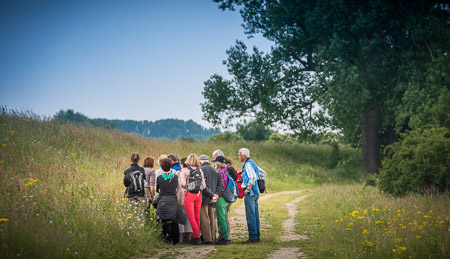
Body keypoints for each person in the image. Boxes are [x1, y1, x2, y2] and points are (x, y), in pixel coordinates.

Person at [156, 158, 186, 245]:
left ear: (161, 167)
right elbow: (176, 188)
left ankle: (166, 239)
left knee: (163, 221)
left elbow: (158, 190)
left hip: (163, 201)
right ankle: (175, 240)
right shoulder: (175, 177)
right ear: (170, 166)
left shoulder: (159, 178)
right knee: (174, 220)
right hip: (173, 200)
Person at [180, 154, 207, 245]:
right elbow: (204, 186)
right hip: (198, 195)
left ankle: (196, 237)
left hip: (189, 195)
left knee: (191, 217)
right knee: (197, 216)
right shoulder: (200, 170)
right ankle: (197, 235)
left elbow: (183, 184)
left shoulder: (184, 170)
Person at [199, 154, 223, 244]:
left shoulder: (201, 170)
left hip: (204, 198)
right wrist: (216, 195)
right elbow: (221, 185)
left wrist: (211, 195)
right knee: (212, 219)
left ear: (200, 162)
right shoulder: (216, 170)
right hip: (213, 199)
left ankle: (207, 239)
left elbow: (203, 187)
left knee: (204, 219)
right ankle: (213, 238)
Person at [238, 148, 261, 243]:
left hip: (250, 193)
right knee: (255, 215)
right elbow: (262, 173)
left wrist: (248, 188)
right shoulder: (252, 163)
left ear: (244, 156)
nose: (238, 156)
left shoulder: (247, 164)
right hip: (256, 192)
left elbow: (252, 177)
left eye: (239, 155)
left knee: (250, 215)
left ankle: (252, 238)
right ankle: (256, 236)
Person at [213, 156, 231, 245]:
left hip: (220, 198)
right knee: (224, 218)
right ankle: (227, 237)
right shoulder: (226, 171)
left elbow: (221, 187)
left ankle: (225, 238)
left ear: (217, 163)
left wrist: (216, 195)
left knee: (221, 219)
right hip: (226, 198)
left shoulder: (220, 173)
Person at [177, 157, 193, 244]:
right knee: (189, 217)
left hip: (181, 197)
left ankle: (180, 238)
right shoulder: (192, 172)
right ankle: (189, 237)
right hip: (190, 195)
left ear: (182, 164)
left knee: (181, 217)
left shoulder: (179, 173)